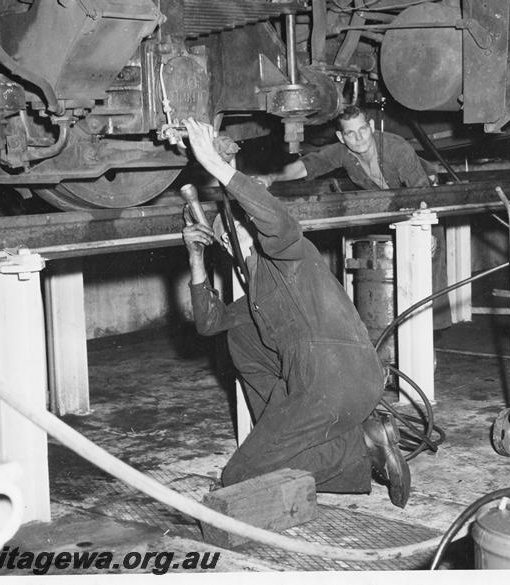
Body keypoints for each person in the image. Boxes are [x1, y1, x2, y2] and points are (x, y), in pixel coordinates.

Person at [181, 118, 411, 507]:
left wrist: (217, 166)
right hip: (342, 387)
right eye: (229, 234)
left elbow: (277, 221)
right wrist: (195, 257)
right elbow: (210, 324)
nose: (237, 233)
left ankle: (359, 445)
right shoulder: (259, 293)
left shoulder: (287, 256)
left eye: (241, 224)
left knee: (238, 477)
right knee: (240, 338)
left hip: (331, 379)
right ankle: (364, 442)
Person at [253, 105, 451, 330]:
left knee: (429, 264)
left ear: (371, 127)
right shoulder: (342, 152)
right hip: (392, 207)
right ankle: (400, 327)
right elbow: (306, 166)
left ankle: (432, 331)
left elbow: (422, 193)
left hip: (426, 203)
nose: (359, 138)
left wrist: (426, 231)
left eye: (363, 129)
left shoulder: (396, 148)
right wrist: (270, 177)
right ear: (341, 137)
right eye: (350, 133)